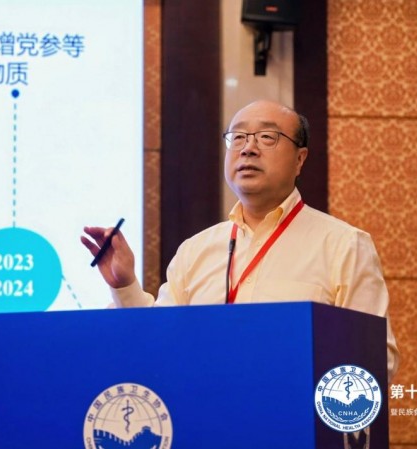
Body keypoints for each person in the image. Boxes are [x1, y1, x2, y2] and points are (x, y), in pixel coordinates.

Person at [82, 100, 399, 379]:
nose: (248, 148)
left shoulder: (343, 245)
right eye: (238, 137)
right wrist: (125, 285)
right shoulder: (196, 251)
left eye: (267, 137)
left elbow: (377, 360)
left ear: (300, 159)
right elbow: (159, 343)